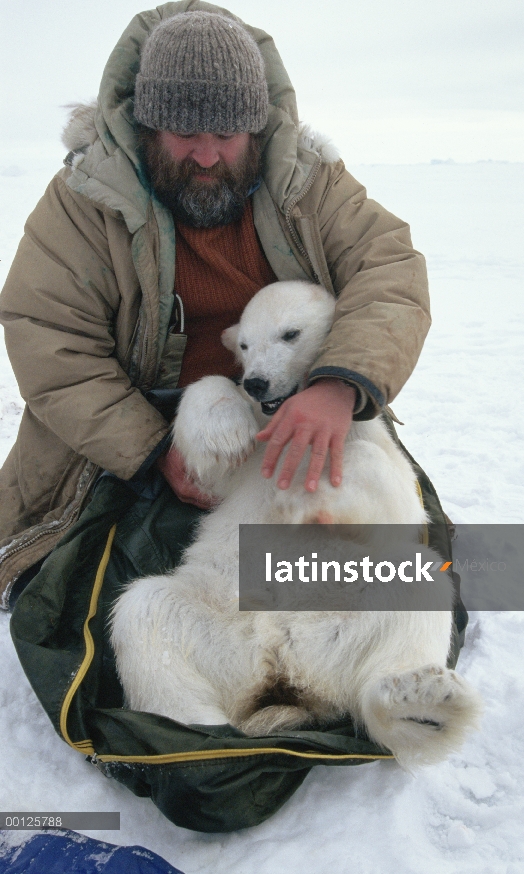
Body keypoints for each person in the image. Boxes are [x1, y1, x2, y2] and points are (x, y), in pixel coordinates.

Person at [0, 3, 431, 608]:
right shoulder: (83, 201)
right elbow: (47, 336)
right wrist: (152, 452)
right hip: (134, 429)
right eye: (184, 135)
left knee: (388, 581)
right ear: (148, 127)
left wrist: (336, 388)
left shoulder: (311, 184)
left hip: (292, 409)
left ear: (254, 129)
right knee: (106, 601)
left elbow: (389, 271)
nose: (206, 156)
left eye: (226, 136)